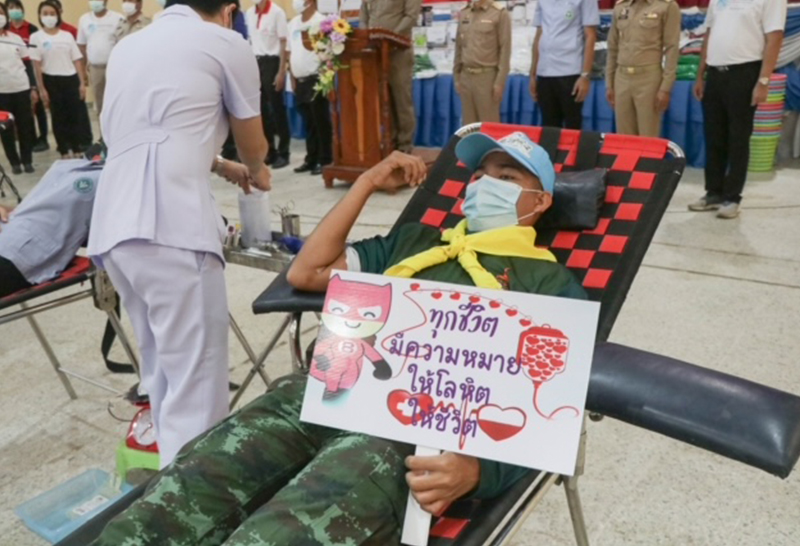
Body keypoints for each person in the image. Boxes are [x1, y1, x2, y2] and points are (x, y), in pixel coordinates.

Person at [89, 132, 587, 546]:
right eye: (480, 175)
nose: (484, 184)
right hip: (324, 389)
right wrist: (366, 183)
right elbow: (307, 272)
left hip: (412, 426)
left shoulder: (551, 284)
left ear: (541, 201)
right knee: (201, 474)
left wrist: (479, 470)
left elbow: (551, 413)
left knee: (286, 529)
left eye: (507, 178)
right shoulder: (417, 241)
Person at [87, 0, 272, 467]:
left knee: (163, 376)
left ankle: (169, 486)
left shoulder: (129, 47)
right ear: (229, 10)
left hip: (114, 224)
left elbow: (144, 133)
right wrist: (255, 169)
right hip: (170, 225)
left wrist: (219, 165)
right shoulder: (226, 42)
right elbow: (252, 141)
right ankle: (195, 500)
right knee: (198, 389)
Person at [0, 147, 265, 300]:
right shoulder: (107, 181)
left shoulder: (65, 167)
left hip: (11, 240)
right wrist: (219, 221)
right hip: (18, 258)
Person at [689, 0, 786, 219]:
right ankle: (713, 192)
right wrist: (701, 74)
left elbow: (774, 38)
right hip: (715, 73)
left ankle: (732, 198)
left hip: (745, 72)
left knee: (738, 138)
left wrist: (763, 81)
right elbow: (709, 33)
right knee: (714, 136)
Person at [605, 0, 680, 137]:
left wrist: (665, 88)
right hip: (622, 78)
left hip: (648, 79)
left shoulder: (666, 6)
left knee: (648, 137)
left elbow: (672, 48)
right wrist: (609, 83)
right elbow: (612, 47)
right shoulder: (621, 6)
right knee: (624, 138)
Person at [29, 1, 93, 159]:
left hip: (70, 78)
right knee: (58, 116)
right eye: (45, 13)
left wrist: (81, 83)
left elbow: (76, 60)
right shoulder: (36, 37)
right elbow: (36, 65)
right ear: (40, 16)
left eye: (52, 13)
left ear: (58, 15)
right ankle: (64, 149)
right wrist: (41, 88)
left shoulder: (67, 35)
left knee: (74, 114)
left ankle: (77, 147)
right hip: (51, 80)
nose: (49, 16)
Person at [360, 0, 422, 153]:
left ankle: (404, 144)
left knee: (401, 100)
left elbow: (411, 16)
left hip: (399, 51)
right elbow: (364, 16)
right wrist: (365, 36)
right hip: (376, 52)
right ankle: (390, 141)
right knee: (384, 99)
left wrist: (390, 37)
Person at [530, 0, 599, 129]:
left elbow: (590, 36)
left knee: (572, 124)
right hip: (545, 71)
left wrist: (585, 75)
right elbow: (539, 34)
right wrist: (533, 74)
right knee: (548, 125)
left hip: (570, 71)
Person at [245, 0, 291, 169]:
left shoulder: (277, 12)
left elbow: (283, 43)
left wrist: (281, 71)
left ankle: (284, 151)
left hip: (272, 61)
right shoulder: (250, 13)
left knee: (277, 108)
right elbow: (250, 39)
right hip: (256, 61)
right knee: (261, 110)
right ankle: (269, 150)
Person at [287, 0, 331, 175]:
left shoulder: (321, 22)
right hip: (299, 78)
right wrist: (292, 76)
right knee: (308, 121)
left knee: (320, 121)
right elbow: (289, 51)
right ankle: (311, 158)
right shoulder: (293, 23)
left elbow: (328, 51)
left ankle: (325, 159)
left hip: (316, 77)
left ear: (311, 2)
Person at [453, 0, 511, 126]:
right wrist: (456, 76)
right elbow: (459, 47)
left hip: (487, 78)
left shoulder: (499, 13)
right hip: (466, 77)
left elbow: (505, 51)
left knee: (488, 126)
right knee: (468, 127)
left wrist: (499, 82)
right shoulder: (465, 13)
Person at [6, 0, 49, 153]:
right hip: (15, 73)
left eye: (17, 7)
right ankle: (29, 139)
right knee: (24, 110)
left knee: (38, 107)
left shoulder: (31, 28)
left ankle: (43, 138)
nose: (14, 10)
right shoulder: (6, 30)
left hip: (31, 68)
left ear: (22, 10)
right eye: (11, 8)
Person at [0, 3, 37, 175]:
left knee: (25, 126)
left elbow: (27, 64)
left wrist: (33, 87)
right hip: (2, 92)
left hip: (21, 88)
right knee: (6, 129)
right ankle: (14, 162)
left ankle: (27, 160)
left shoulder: (14, 38)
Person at [76, 0, 123, 118]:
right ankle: (102, 129)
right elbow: (81, 46)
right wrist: (83, 71)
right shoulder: (84, 19)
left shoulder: (118, 18)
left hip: (115, 68)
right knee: (100, 104)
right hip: (95, 68)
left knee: (117, 103)